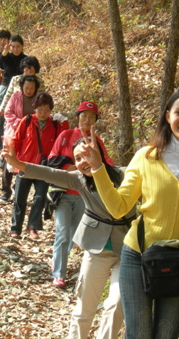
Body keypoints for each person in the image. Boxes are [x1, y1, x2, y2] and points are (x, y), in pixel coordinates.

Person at [78, 86, 179, 339]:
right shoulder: (146, 157)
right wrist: (98, 168)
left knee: (166, 336)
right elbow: (119, 207)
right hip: (138, 257)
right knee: (139, 334)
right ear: (168, 116)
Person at [2, 138, 137, 339]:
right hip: (95, 247)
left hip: (126, 248)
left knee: (116, 304)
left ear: (100, 153)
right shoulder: (78, 179)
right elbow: (51, 174)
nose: (83, 162)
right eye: (78, 158)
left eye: (87, 155)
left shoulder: (125, 174)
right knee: (85, 307)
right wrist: (19, 164)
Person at [48, 101, 114, 288]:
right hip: (63, 193)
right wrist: (78, 169)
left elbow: (106, 164)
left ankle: (59, 261)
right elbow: (53, 160)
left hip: (84, 195)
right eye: (84, 115)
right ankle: (58, 273)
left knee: (74, 233)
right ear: (78, 117)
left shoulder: (97, 141)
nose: (87, 119)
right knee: (62, 232)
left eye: (91, 116)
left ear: (95, 120)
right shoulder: (66, 135)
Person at [10, 92, 68, 239]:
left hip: (43, 167)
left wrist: (64, 122)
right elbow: (16, 141)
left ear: (50, 110)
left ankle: (33, 226)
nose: (43, 113)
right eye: (40, 110)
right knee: (19, 198)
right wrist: (12, 161)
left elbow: (64, 140)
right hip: (24, 164)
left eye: (46, 110)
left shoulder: (54, 125)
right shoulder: (27, 120)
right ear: (35, 109)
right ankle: (16, 228)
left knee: (41, 197)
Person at [0, 75, 41, 202]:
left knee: (22, 161)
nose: (28, 90)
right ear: (22, 86)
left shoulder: (38, 99)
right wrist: (21, 123)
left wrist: (29, 127)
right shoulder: (15, 96)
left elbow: (42, 115)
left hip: (31, 135)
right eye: (26, 87)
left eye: (31, 88)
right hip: (14, 131)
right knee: (9, 160)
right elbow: (8, 112)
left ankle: (17, 188)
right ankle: (5, 191)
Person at [0, 35, 28, 149]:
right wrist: (5, 51)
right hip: (6, 86)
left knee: (15, 116)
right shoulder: (7, 56)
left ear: (22, 46)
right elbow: (2, 59)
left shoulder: (25, 59)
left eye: (18, 46)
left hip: (19, 89)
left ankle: (14, 143)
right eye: (13, 47)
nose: (16, 49)